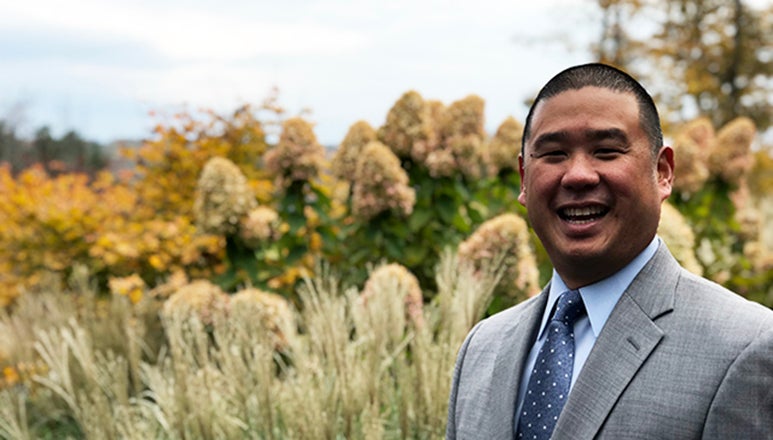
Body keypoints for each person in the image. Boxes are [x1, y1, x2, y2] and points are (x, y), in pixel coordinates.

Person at [445, 63, 773, 439]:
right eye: (553, 154)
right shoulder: (482, 348)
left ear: (663, 171)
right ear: (523, 179)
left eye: (606, 150)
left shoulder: (745, 347)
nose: (578, 175)